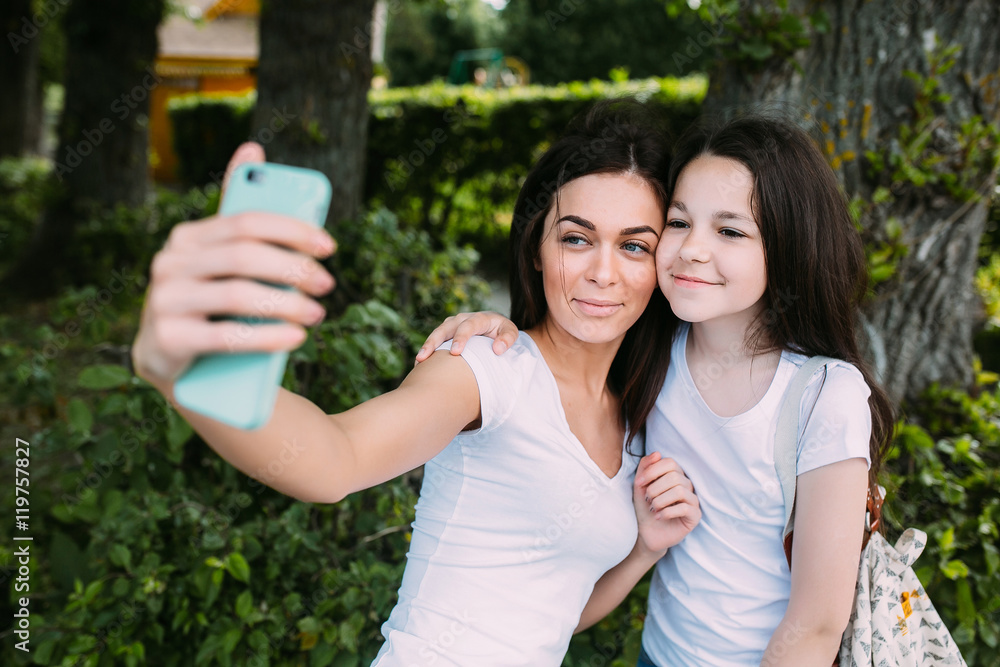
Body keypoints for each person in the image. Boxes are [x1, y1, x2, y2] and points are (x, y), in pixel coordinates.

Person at [130, 100, 702, 666]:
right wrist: (185, 372)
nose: (603, 272)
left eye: (633, 246)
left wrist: (644, 548)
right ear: (536, 248)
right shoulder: (488, 368)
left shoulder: (633, 420)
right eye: (576, 238)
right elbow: (337, 457)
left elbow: (553, 613)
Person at [415, 112, 896, 666]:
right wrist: (497, 327)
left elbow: (816, 625)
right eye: (679, 222)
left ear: (789, 247)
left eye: (731, 230)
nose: (692, 249)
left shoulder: (823, 396)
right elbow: (564, 347)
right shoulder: (650, 350)